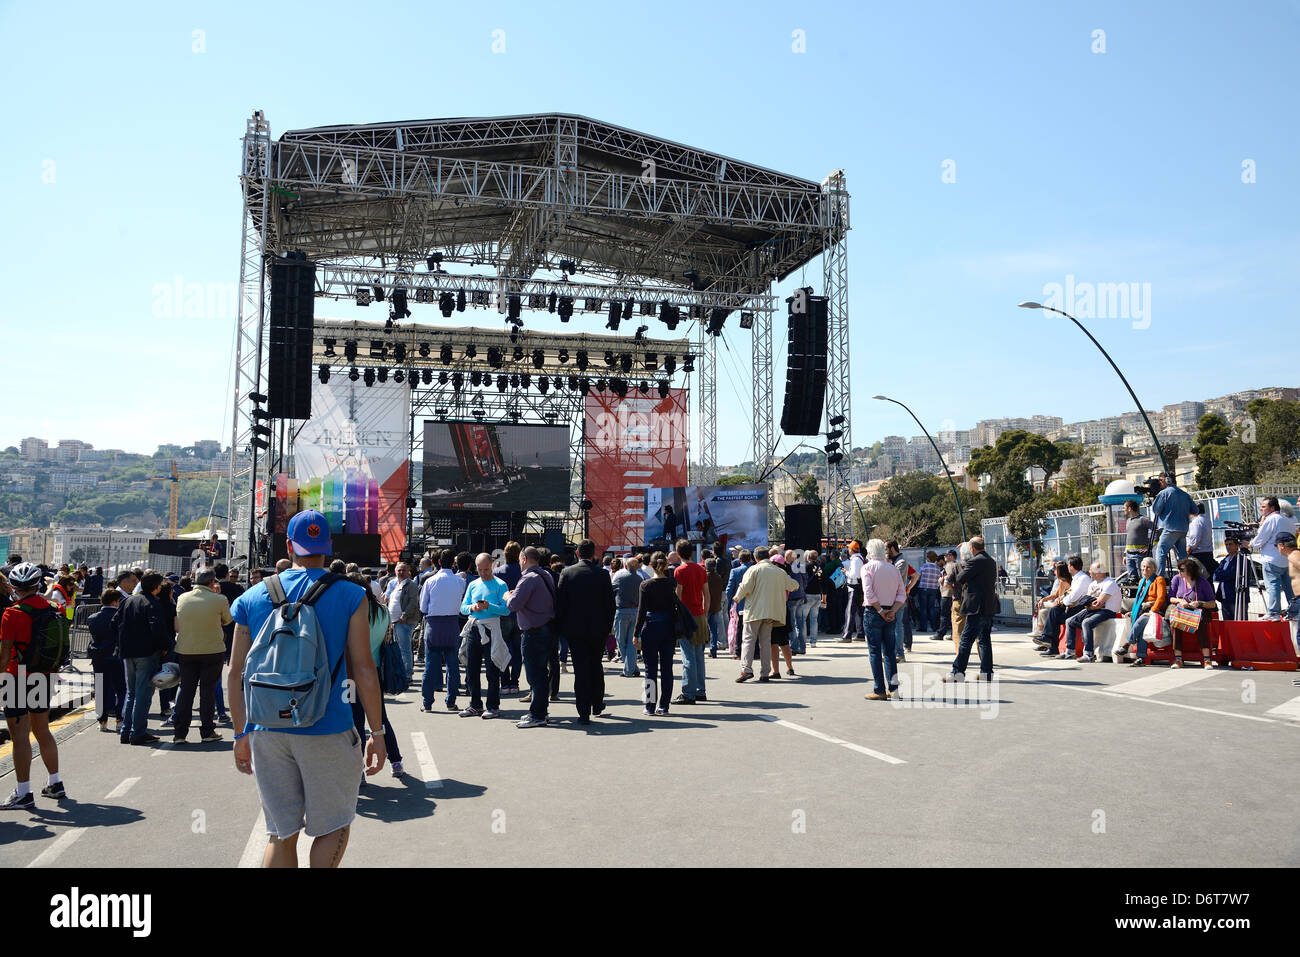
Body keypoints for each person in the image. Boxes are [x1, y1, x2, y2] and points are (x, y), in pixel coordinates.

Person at [229, 509, 384, 868]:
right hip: (328, 724)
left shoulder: (253, 596)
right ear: (328, 548)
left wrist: (241, 733)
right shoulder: (349, 594)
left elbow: (235, 671)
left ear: (288, 546)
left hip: (268, 728)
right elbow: (364, 667)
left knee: (281, 833)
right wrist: (376, 731)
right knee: (332, 826)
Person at [0, 563, 66, 809]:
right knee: (42, 730)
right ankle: (55, 783)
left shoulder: (12, 613)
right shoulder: (55, 607)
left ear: (15, 588)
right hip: (45, 675)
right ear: (38, 586)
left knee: (19, 736)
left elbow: (5, 657)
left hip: (17, 678)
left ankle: (24, 793)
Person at [348, 569, 404, 777]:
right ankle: (396, 760)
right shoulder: (382, 611)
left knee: (355, 722)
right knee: (380, 719)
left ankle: (358, 770)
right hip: (377, 670)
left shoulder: (351, 614)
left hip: (353, 673)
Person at [555, 540, 616, 723]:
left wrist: (561, 628)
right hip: (598, 630)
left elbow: (560, 604)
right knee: (596, 666)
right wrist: (607, 628)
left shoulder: (567, 573)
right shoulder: (602, 575)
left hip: (575, 631)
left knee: (580, 669)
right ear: (593, 554)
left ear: (577, 553)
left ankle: (583, 711)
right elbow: (610, 606)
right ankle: (597, 704)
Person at [171, 568, 231, 744]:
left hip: (186, 650)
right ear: (212, 582)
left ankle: (180, 733)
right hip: (212, 650)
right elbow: (227, 619)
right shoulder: (219, 599)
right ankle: (207, 731)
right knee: (207, 692)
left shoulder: (182, 597)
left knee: (186, 690)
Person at [112, 571, 170, 745]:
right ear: (156, 587)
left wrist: (123, 640)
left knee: (131, 693)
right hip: (146, 652)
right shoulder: (151, 603)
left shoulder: (128, 600)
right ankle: (138, 732)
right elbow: (157, 628)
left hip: (127, 652)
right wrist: (165, 646)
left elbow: (114, 623)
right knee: (143, 694)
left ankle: (126, 730)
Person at [506, 546, 558, 728]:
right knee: (541, 673)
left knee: (535, 675)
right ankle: (539, 711)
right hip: (546, 628)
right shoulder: (546, 575)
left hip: (533, 631)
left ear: (524, 558)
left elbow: (513, 605)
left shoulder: (528, 578)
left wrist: (507, 595)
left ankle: (538, 714)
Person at [734, 547, 799, 683]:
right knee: (765, 642)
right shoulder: (779, 572)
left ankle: (746, 670)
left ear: (756, 558)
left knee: (748, 641)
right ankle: (765, 673)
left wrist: (737, 597)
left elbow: (745, 587)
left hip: (754, 612)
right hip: (771, 613)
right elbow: (794, 585)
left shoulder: (753, 569)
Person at [459, 553, 509, 719]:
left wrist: (489, 606)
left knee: (492, 669)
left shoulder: (501, 584)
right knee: (471, 669)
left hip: (491, 628)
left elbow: (506, 610)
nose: (483, 572)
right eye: (480, 569)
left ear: (492, 566)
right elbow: (463, 607)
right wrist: (473, 607)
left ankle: (493, 706)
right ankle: (475, 705)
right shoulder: (473, 584)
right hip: (474, 627)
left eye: (486, 569)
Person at [946, 536, 998, 681]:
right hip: (988, 606)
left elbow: (960, 578)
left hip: (976, 606)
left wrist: (965, 557)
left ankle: (958, 672)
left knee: (966, 640)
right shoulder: (990, 560)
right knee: (984, 640)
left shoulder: (975, 561)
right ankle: (986, 673)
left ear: (972, 549)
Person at [633, 552, 680, 715]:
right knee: (667, 668)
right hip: (668, 628)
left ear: (651, 565)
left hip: (650, 628)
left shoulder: (645, 585)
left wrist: (636, 633)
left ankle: (650, 706)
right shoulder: (671, 583)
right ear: (665, 565)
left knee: (650, 669)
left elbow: (641, 611)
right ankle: (664, 705)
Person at [860, 539, 906, 700]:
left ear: (869, 552)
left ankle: (879, 689)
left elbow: (868, 592)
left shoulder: (867, 568)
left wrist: (880, 610)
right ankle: (894, 689)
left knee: (874, 652)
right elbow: (902, 593)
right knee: (890, 652)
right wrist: (892, 610)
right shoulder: (893, 569)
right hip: (890, 611)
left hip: (874, 611)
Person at [1060, 562, 1122, 663]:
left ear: (1098, 573)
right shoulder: (1092, 584)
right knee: (1069, 621)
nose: (1089, 572)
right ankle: (1070, 652)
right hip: (1092, 609)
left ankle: (1089, 654)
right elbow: (1085, 600)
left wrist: (1090, 604)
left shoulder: (1110, 583)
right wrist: (1089, 605)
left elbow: (1099, 603)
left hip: (1107, 611)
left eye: (1091, 571)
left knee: (1086, 623)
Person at [672, 540, 709, 704]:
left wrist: (676, 616)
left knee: (687, 656)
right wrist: (704, 613)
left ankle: (688, 692)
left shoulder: (679, 571)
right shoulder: (701, 569)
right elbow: (706, 595)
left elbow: (678, 597)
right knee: (699, 655)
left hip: (686, 616)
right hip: (700, 614)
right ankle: (701, 690)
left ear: (678, 553)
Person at [1250, 496, 1298, 621]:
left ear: (1272, 508)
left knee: (1273, 586)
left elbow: (1261, 538)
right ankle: (1295, 611)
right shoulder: (1287, 519)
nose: (1261, 509)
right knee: (1289, 588)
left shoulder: (1271, 519)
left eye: (1263, 507)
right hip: (1285, 559)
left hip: (1271, 558)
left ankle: (1273, 612)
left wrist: (1250, 544)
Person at [1115, 557, 1169, 666]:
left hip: (1156, 611)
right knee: (1141, 625)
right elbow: (1139, 600)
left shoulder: (1158, 580)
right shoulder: (1141, 581)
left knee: (1141, 621)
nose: (1145, 569)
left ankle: (1126, 644)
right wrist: (1133, 612)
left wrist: (1152, 611)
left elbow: (1161, 598)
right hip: (1143, 610)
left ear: (1154, 569)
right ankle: (1141, 658)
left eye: (1148, 567)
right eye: (1143, 567)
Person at [1167, 558, 1218, 669]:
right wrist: (1180, 601)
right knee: (1175, 623)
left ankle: (1206, 659)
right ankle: (1178, 658)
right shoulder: (1177, 579)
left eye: (1181, 570)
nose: (1178, 572)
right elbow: (1171, 598)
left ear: (1190, 571)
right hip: (1182, 610)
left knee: (1201, 621)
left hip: (1199, 611)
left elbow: (1212, 603)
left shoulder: (1202, 582)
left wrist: (1200, 603)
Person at [87, 590, 125, 733]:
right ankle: (120, 720)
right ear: (115, 601)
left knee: (100, 688)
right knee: (121, 689)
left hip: (98, 656)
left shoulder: (92, 618)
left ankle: (102, 721)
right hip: (116, 656)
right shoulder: (120, 617)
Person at [1037, 556, 1089, 657]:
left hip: (1080, 609)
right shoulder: (1076, 579)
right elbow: (1069, 593)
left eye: (1069, 565)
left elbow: (1073, 596)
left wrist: (1061, 600)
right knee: (1054, 612)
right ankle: (1050, 643)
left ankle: (1049, 642)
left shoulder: (1082, 579)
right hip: (1074, 607)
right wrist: (1060, 599)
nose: (1067, 567)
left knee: (1054, 613)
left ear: (1072, 567)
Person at [1151, 474, 1194, 576]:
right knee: (1182, 555)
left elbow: (1156, 510)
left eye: (1161, 480)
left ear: (1168, 480)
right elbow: (1195, 510)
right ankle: (1186, 576)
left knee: (1160, 551)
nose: (1159, 483)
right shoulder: (1185, 494)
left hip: (1169, 528)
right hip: (1183, 529)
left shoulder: (1164, 493)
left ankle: (1160, 578)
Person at [385, 562, 420, 687]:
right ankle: (402, 673)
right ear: (395, 571)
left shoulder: (411, 585)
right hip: (394, 622)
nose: (401, 572)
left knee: (404, 649)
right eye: (399, 570)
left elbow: (413, 602)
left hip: (404, 621)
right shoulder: (395, 584)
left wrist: (404, 616)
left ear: (408, 571)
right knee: (399, 649)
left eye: (403, 570)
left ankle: (407, 675)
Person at [495, 543, 524, 694]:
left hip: (503, 615)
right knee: (518, 652)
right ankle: (515, 682)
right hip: (519, 614)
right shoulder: (523, 572)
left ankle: (504, 682)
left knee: (503, 650)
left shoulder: (497, 571)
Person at [885, 540, 918, 661]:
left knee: (898, 625)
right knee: (898, 624)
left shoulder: (901, 562)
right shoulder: (895, 561)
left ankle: (899, 653)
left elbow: (894, 578)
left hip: (897, 598)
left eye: (886, 549)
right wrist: (908, 588)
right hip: (896, 596)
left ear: (892, 548)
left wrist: (907, 588)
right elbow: (915, 575)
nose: (885, 551)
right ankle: (897, 652)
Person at [611, 556, 643, 677]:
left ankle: (629, 669)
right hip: (636, 611)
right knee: (632, 642)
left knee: (620, 641)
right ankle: (632, 667)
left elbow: (611, 591)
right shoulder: (640, 579)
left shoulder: (619, 577)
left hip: (622, 611)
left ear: (625, 566)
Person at [1213, 537, 1257, 621]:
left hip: (1237, 597)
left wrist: (1223, 574)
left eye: (1230, 544)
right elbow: (1215, 576)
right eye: (1226, 545)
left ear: (1237, 546)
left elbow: (1231, 574)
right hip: (1224, 598)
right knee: (1227, 624)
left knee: (1239, 623)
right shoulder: (1224, 560)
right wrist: (1224, 575)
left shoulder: (1242, 560)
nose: (1228, 547)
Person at [768, 553, 796, 678]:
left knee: (773, 642)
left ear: (775, 564)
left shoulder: (774, 575)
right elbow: (794, 586)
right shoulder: (785, 575)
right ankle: (790, 667)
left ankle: (775, 670)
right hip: (784, 608)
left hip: (774, 609)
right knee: (784, 642)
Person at [1030, 562, 1071, 642]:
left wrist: (1044, 601)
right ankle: (1042, 634)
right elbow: (1055, 594)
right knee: (1043, 612)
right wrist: (1043, 599)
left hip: (1062, 607)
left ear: (1060, 571)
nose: (1054, 571)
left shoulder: (1067, 582)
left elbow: (1069, 596)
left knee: (1041, 606)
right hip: (1057, 605)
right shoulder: (1061, 581)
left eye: (1056, 569)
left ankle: (1042, 634)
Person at [725, 550, 754, 659]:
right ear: (750, 559)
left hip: (739, 603)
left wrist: (732, 601)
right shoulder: (755, 570)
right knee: (753, 629)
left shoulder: (735, 571)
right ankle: (754, 652)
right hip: (754, 604)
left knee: (739, 628)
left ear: (740, 560)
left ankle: (738, 651)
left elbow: (729, 588)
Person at [782, 550, 807, 657]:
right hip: (801, 595)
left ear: (787, 557)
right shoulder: (799, 566)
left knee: (792, 623)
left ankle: (793, 647)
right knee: (800, 623)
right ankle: (802, 647)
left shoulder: (787, 568)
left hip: (792, 597)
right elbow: (805, 580)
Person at [840, 541, 866, 642]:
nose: (848, 550)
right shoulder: (859, 558)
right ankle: (860, 634)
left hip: (854, 587)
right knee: (858, 612)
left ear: (852, 550)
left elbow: (855, 575)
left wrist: (846, 572)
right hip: (858, 587)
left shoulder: (855, 560)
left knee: (850, 611)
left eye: (849, 548)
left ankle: (847, 635)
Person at [1123, 499, 1155, 579]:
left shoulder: (1143, 519)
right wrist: (1125, 554)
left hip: (1140, 555)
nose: (1124, 510)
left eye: (1124, 508)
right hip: (1129, 555)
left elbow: (1156, 530)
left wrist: (1150, 546)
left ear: (1129, 509)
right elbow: (1128, 538)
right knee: (1132, 579)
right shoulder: (1128, 521)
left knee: (1144, 578)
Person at [704, 554, 728, 659]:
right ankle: (713, 650)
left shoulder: (704, 576)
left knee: (703, 628)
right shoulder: (718, 577)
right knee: (713, 629)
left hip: (705, 606)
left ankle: (701, 649)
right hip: (715, 606)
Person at [799, 550, 824, 649]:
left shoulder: (805, 566)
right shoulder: (819, 567)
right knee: (814, 619)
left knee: (803, 619)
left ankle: (803, 641)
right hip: (817, 595)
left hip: (807, 595)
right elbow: (823, 581)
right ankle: (813, 641)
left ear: (808, 557)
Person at [934, 549, 959, 643]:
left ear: (951, 556)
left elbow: (950, 577)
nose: (945, 557)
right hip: (948, 593)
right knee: (951, 615)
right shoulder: (954, 565)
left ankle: (941, 633)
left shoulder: (950, 565)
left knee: (944, 615)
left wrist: (942, 578)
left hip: (947, 593)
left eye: (947, 555)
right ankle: (953, 634)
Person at [1187, 503, 1216, 578]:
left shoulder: (1196, 521)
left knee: (1201, 579)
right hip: (1208, 552)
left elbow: (1195, 539)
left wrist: (1188, 550)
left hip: (1199, 555)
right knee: (1209, 579)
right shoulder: (1206, 519)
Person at [915, 551, 942, 634]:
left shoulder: (924, 566)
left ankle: (923, 627)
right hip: (934, 589)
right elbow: (940, 578)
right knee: (931, 608)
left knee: (923, 608)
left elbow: (917, 576)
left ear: (928, 558)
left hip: (923, 588)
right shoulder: (937, 568)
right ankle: (934, 626)